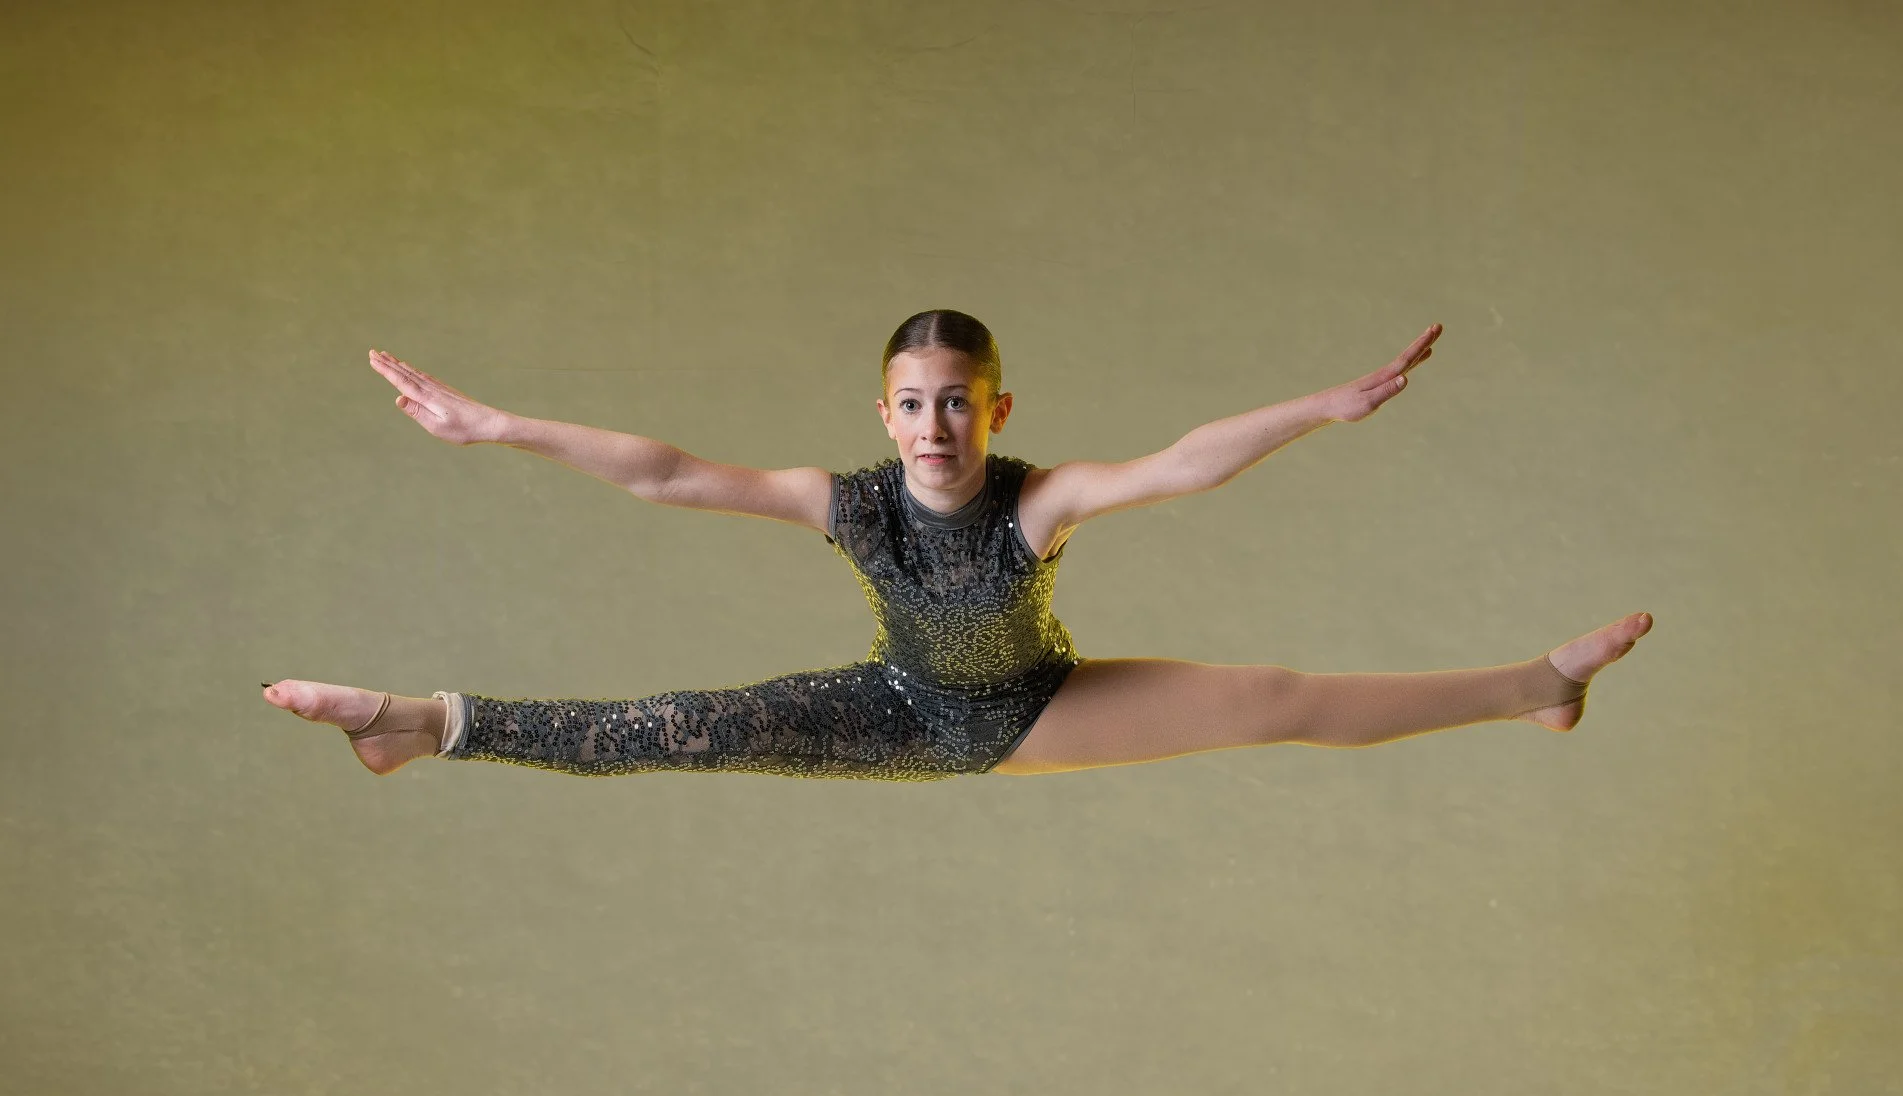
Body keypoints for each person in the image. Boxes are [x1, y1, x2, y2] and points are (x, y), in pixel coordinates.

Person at [262, 309, 1652, 781]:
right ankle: (412, 723)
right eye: (914, 405)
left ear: (998, 410)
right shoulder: (848, 498)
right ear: (887, 411)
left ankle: (1541, 683)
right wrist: (495, 423)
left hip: (1035, 709)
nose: (936, 427)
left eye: (960, 405)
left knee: (1278, 700)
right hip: (899, 708)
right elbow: (671, 474)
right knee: (672, 724)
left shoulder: (1034, 500)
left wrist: (1326, 407)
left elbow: (1182, 463)